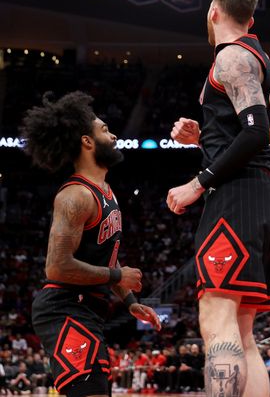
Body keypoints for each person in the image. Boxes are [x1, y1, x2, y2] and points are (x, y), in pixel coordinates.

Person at [167, 0, 270, 397]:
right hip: (263, 195)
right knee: (242, 332)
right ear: (250, 19)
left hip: (237, 197)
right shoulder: (257, 58)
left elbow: (254, 133)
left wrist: (198, 183)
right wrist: (205, 138)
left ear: (214, 12)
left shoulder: (232, 57)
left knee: (217, 321)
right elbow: (252, 132)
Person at [21, 92, 161, 397]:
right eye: (104, 130)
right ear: (87, 142)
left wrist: (130, 301)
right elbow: (57, 266)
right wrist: (117, 277)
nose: (112, 135)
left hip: (89, 309)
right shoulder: (75, 196)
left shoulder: (106, 191)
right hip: (64, 308)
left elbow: (108, 260)